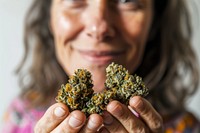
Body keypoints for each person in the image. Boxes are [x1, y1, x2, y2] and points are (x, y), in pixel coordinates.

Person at [1, 0, 200, 132]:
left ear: (155, 22)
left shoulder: (187, 128)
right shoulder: (17, 118)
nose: (99, 28)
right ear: (49, 18)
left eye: (126, 0)